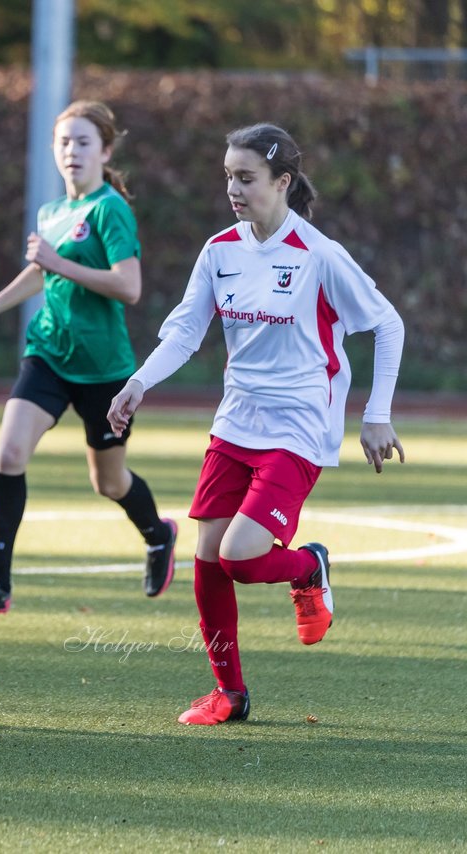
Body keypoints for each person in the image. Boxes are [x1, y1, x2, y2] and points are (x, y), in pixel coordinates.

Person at [106, 123, 405, 726]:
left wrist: (376, 415)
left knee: (241, 557)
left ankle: (309, 566)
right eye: (228, 178)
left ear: (283, 182)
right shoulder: (220, 251)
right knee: (208, 559)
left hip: (299, 427)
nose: (233, 190)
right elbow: (187, 331)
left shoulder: (319, 255)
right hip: (236, 422)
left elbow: (388, 324)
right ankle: (230, 694)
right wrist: (139, 382)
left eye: (246, 179)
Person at [0, 100, 176, 615]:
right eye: (64, 142)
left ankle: (158, 535)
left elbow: (130, 287)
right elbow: (41, 272)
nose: (71, 151)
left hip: (104, 369)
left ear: (106, 150)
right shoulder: (52, 211)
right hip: (48, 353)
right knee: (8, 455)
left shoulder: (109, 209)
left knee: (109, 482)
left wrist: (57, 264)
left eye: (83, 142)